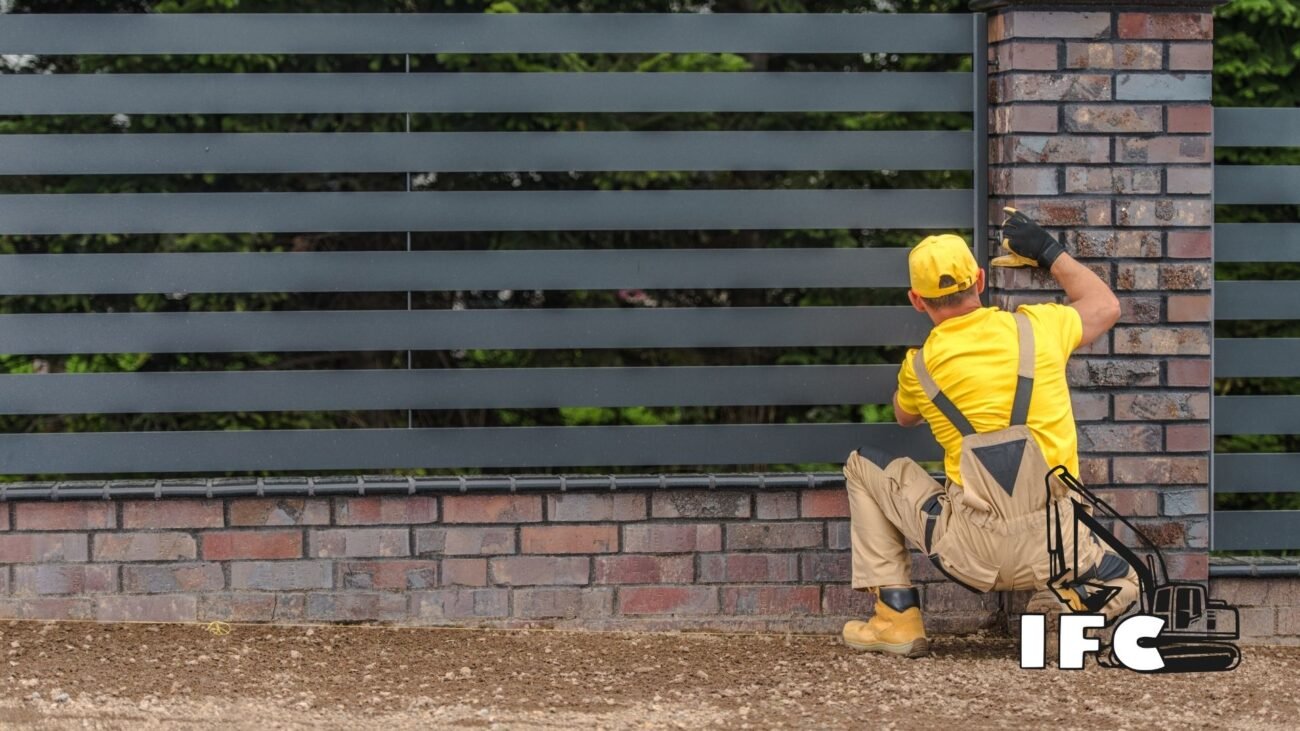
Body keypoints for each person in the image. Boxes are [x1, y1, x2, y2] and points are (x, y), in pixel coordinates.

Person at [840, 209, 1140, 658]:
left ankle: (896, 617)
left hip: (970, 551)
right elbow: (1105, 306)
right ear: (980, 280)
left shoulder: (919, 367)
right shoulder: (1039, 328)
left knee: (862, 465)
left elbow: (905, 417)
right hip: (1058, 544)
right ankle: (1059, 603)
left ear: (916, 301)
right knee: (1123, 579)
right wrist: (1046, 251)